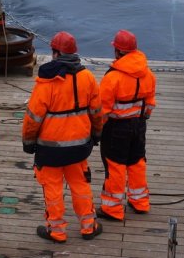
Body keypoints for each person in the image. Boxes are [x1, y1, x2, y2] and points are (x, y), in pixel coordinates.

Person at [22, 31, 103, 243]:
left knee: (53, 189)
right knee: (80, 185)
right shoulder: (88, 78)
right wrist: (96, 135)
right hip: (79, 147)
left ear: (55, 53)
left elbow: (33, 118)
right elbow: (96, 112)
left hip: (50, 150)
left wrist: (28, 143)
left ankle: (56, 231)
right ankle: (88, 226)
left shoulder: (47, 82)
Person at [98, 29, 157, 221]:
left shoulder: (112, 78)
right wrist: (140, 120)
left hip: (116, 129)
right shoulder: (147, 74)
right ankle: (140, 201)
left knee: (115, 167)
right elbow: (149, 105)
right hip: (139, 126)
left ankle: (112, 209)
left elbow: (103, 111)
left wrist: (97, 131)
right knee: (137, 163)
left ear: (117, 51)